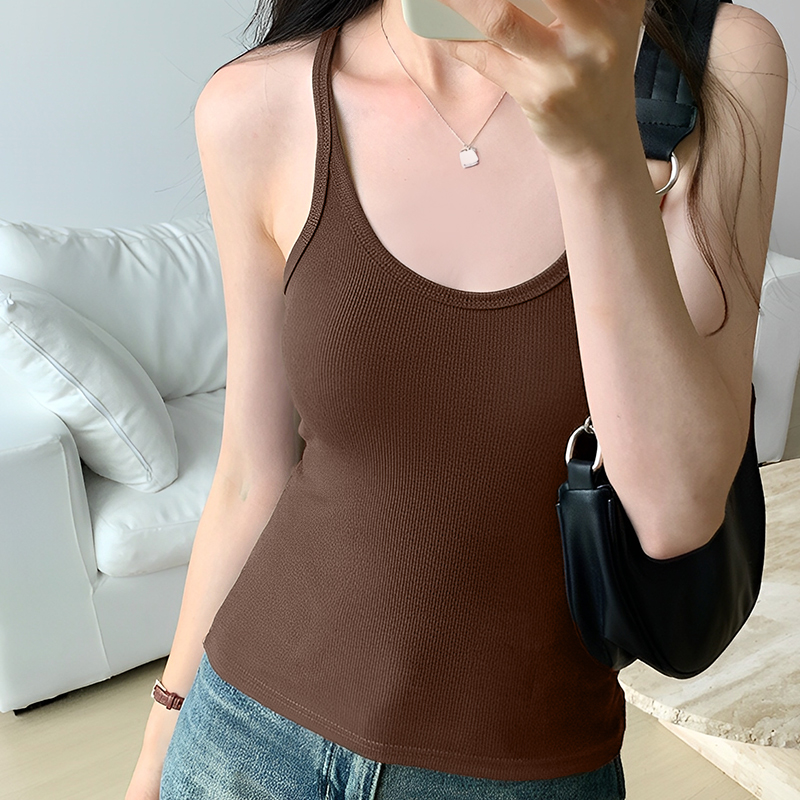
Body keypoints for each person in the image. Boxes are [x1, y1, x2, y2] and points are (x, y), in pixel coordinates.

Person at [125, 0, 788, 797]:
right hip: (242, 744)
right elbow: (248, 474)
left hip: (522, 767)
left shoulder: (709, 65)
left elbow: (676, 511)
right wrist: (160, 739)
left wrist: (594, 148)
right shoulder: (258, 103)